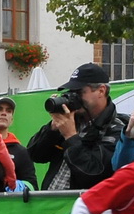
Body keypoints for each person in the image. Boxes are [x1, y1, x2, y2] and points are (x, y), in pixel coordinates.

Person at [27, 62, 127, 191]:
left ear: (101, 91)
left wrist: (70, 136)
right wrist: (52, 128)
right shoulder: (72, 119)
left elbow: (94, 174)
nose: (73, 97)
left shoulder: (117, 129)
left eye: (79, 92)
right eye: (70, 92)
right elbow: (35, 155)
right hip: (50, 204)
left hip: (83, 207)